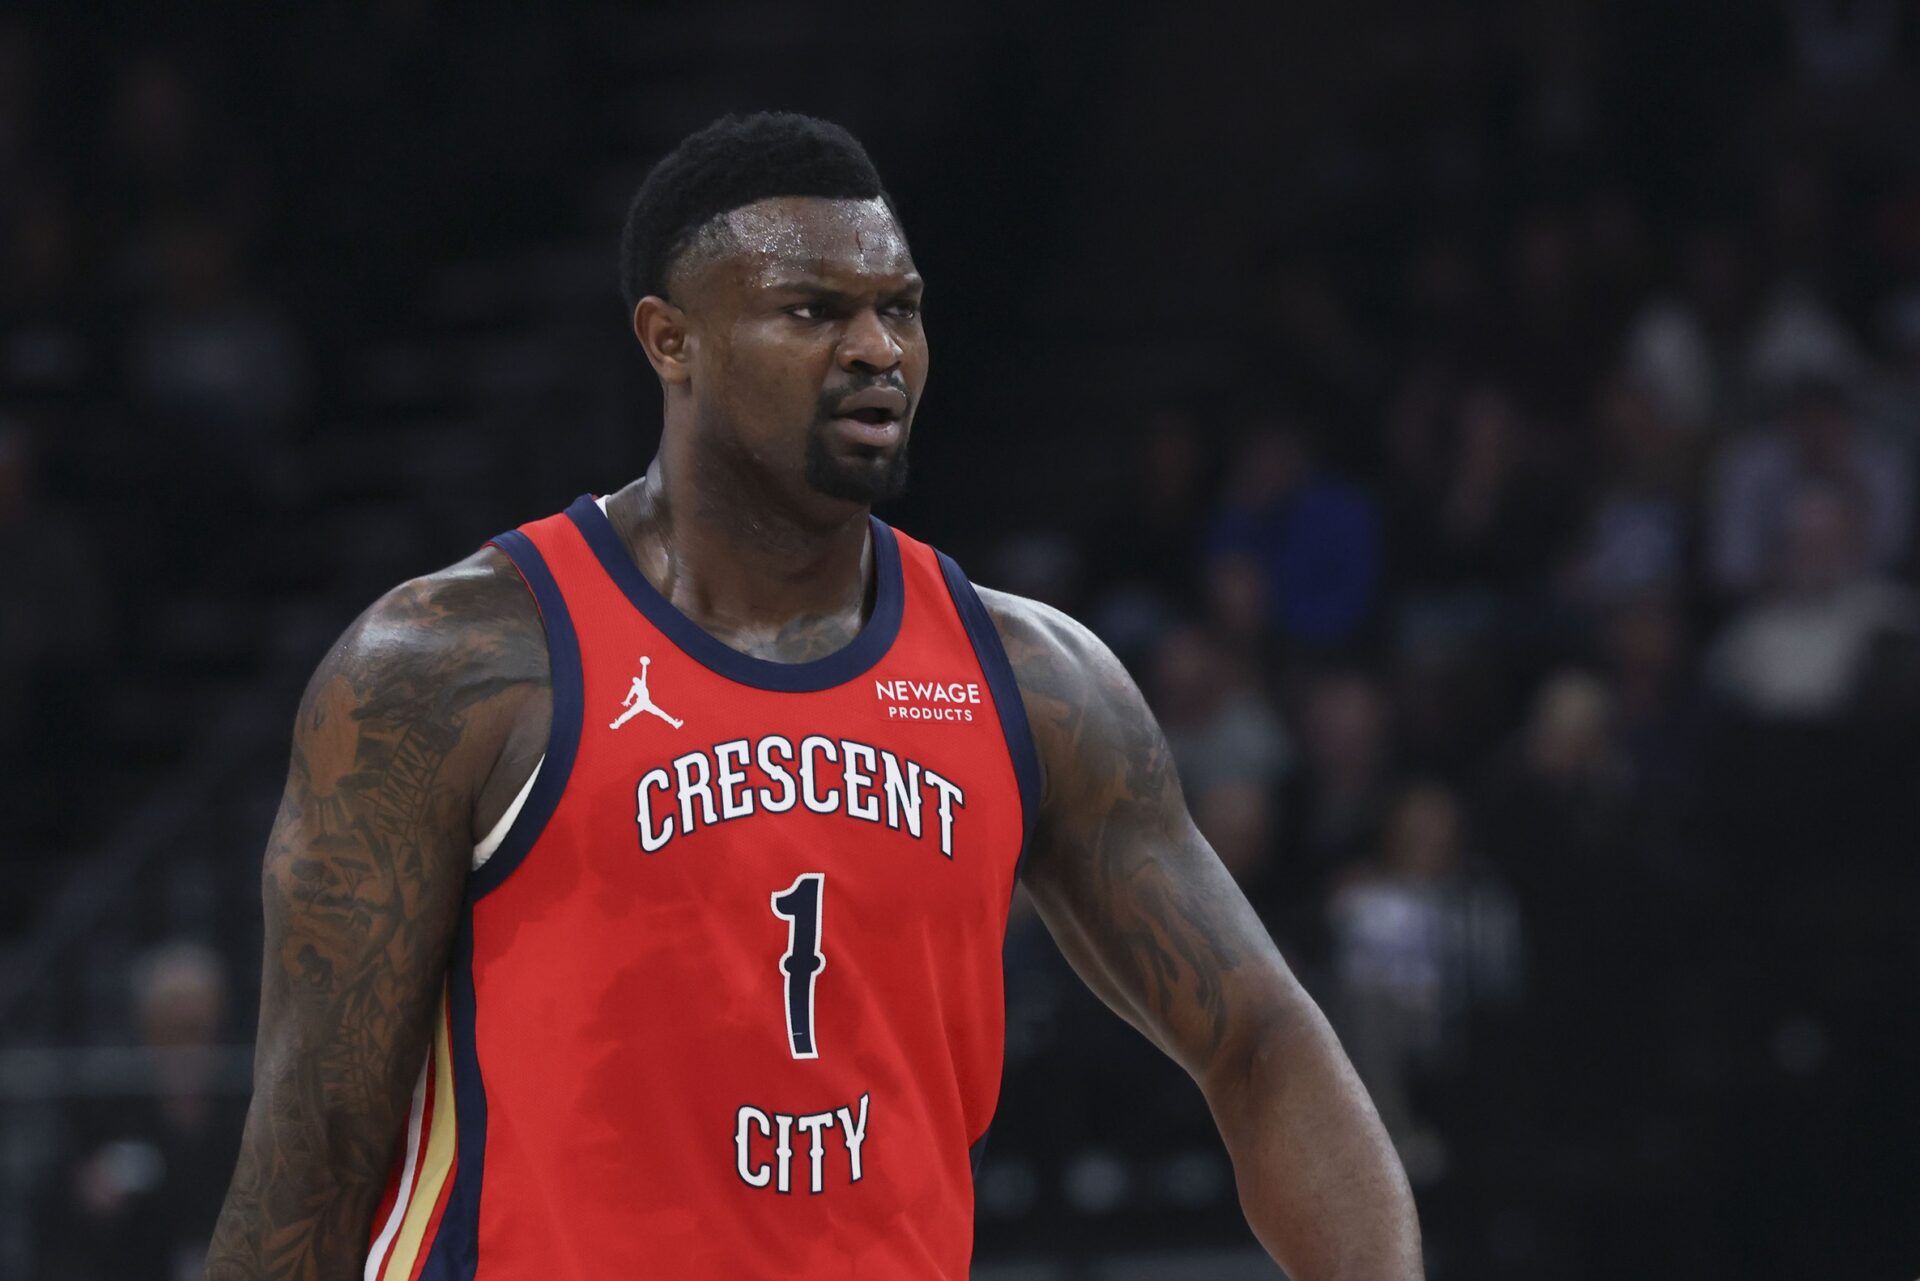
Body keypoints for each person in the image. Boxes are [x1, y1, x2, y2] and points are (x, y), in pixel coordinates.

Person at [205, 113, 1420, 1280]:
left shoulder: (1037, 683)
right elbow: (311, 1157)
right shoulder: (448, 669)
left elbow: (1261, 1042)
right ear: (668, 339)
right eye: (814, 311)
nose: (877, 350)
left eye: (900, 309)